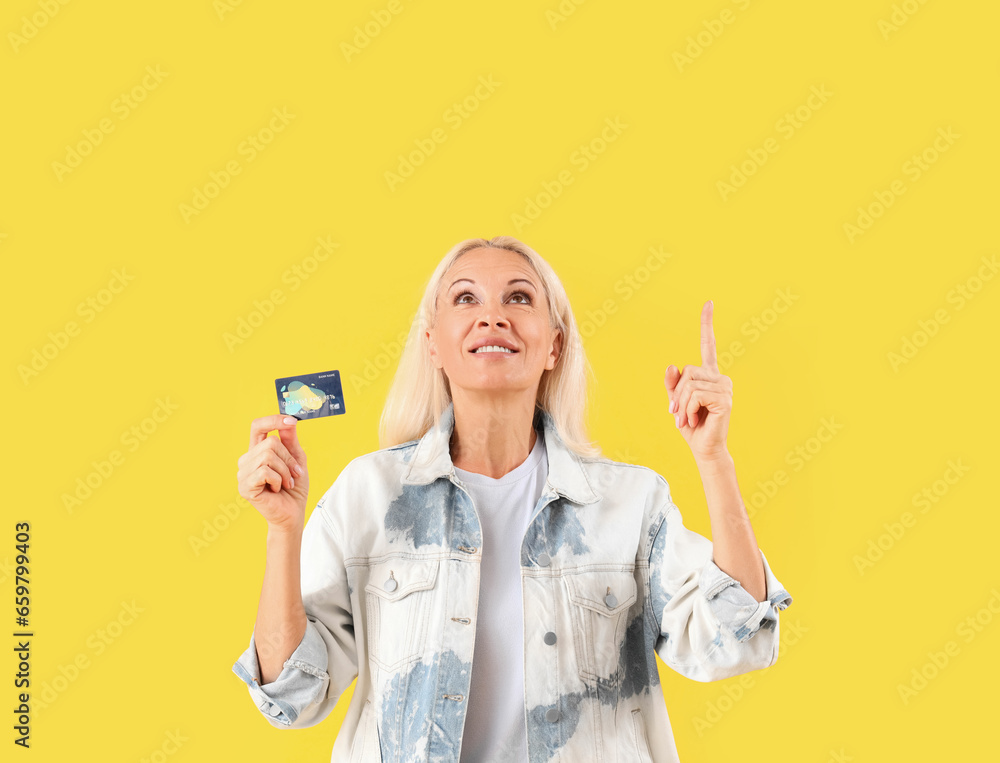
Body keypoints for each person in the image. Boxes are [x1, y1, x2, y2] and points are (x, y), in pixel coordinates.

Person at [231, 235, 794, 762]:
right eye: (465, 297)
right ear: (433, 343)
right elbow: (293, 694)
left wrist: (714, 461)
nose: (492, 315)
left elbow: (735, 640)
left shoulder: (630, 502)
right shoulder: (369, 496)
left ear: (554, 345)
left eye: (519, 298)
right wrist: (283, 531)